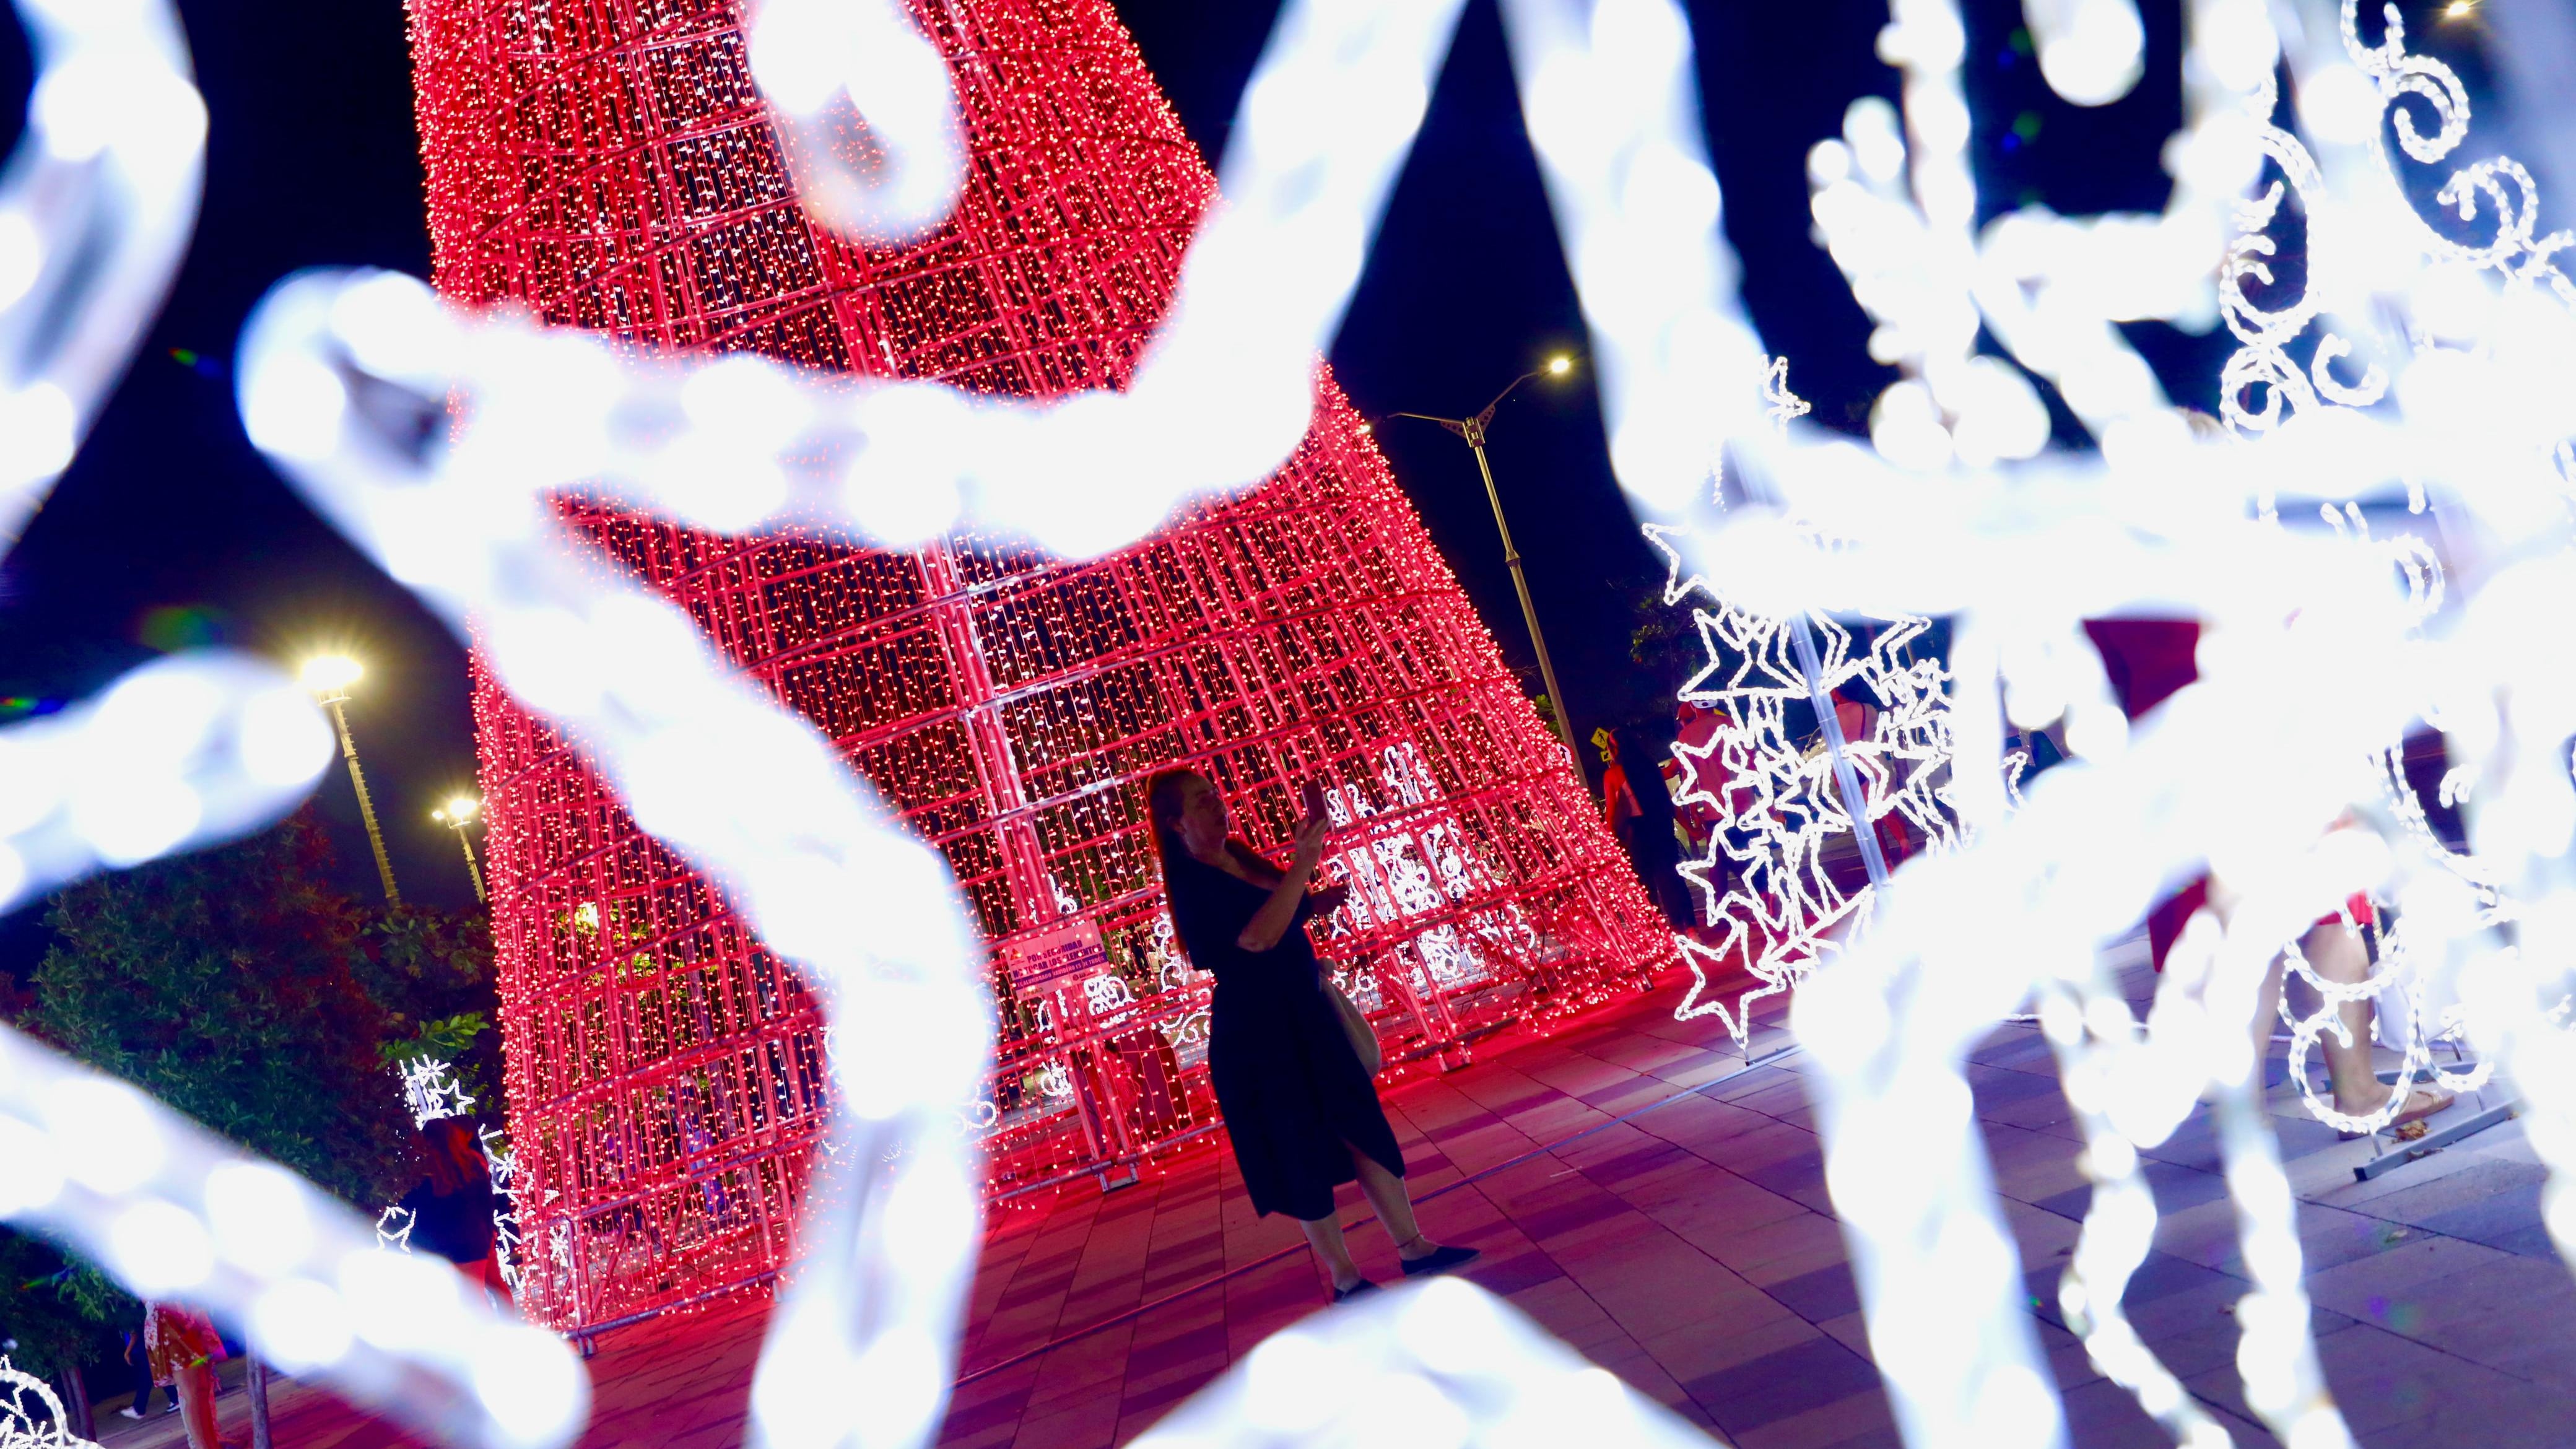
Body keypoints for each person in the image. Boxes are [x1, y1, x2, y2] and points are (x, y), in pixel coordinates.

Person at [1147, 768, 1479, 1300]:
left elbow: (1282, 909)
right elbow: (1256, 937)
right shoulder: (1192, 885)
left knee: (1361, 1123)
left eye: (1215, 794)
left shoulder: (1239, 855)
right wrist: (1303, 864)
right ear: (1175, 824)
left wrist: (1314, 897)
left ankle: (1413, 1245)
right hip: (1259, 1036)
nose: (1216, 805)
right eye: (1200, 802)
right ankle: (1345, 1276)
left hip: (1307, 1012)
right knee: (1297, 1147)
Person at [399, 1118, 510, 1305]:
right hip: (473, 1239)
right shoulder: (472, 1163)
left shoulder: (424, 1172)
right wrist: (488, 1231)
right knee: (476, 1298)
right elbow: (485, 1201)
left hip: (441, 1242)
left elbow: (412, 1204)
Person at [142, 1301, 225, 1449]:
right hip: (169, 1320)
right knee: (193, 1393)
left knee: (201, 1392)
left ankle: (211, 1445)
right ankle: (203, 1446)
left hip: (184, 1316)